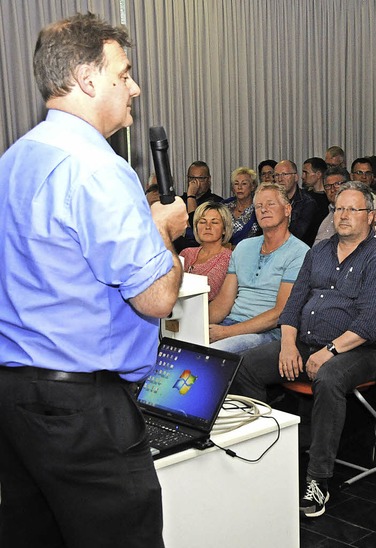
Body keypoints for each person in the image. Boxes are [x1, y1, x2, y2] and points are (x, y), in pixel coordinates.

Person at [0, 13, 188, 547]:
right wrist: (163, 232)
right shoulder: (98, 168)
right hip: (82, 409)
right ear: (87, 79)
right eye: (123, 73)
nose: (135, 87)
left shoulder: (14, 160)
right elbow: (156, 297)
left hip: (15, 396)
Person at [233, 181, 376, 518]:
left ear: (371, 216)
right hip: (305, 342)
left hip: (359, 351)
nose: (343, 215)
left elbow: (370, 324)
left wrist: (328, 350)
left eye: (353, 209)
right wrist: (286, 346)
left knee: (327, 378)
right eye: (339, 208)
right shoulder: (319, 251)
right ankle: (268, 448)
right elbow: (292, 306)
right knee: (245, 365)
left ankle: (318, 478)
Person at [208, 183, 309, 353]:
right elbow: (223, 302)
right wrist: (197, 325)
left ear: (287, 210)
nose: (264, 210)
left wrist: (226, 332)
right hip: (230, 324)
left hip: (267, 333)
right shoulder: (243, 247)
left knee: (213, 353)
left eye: (271, 204)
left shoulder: (300, 253)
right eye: (259, 206)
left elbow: (280, 313)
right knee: (181, 343)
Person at [180, 202, 233, 301]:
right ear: (196, 227)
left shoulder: (228, 258)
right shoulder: (186, 253)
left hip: (205, 311)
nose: (207, 226)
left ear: (224, 229)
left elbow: (208, 292)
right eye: (202, 222)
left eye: (214, 222)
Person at [274, 159, 318, 246]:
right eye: (276, 175)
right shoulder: (272, 201)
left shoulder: (307, 202)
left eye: (284, 174)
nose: (280, 179)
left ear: (296, 177)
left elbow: (297, 235)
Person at [223, 166, 260, 245]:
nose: (239, 187)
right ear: (233, 188)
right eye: (236, 184)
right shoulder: (224, 208)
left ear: (252, 186)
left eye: (244, 184)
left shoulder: (259, 208)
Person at [313, 166, 350, 245]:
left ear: (348, 185)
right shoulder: (325, 214)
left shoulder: (351, 215)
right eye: (328, 186)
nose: (332, 190)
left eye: (337, 184)